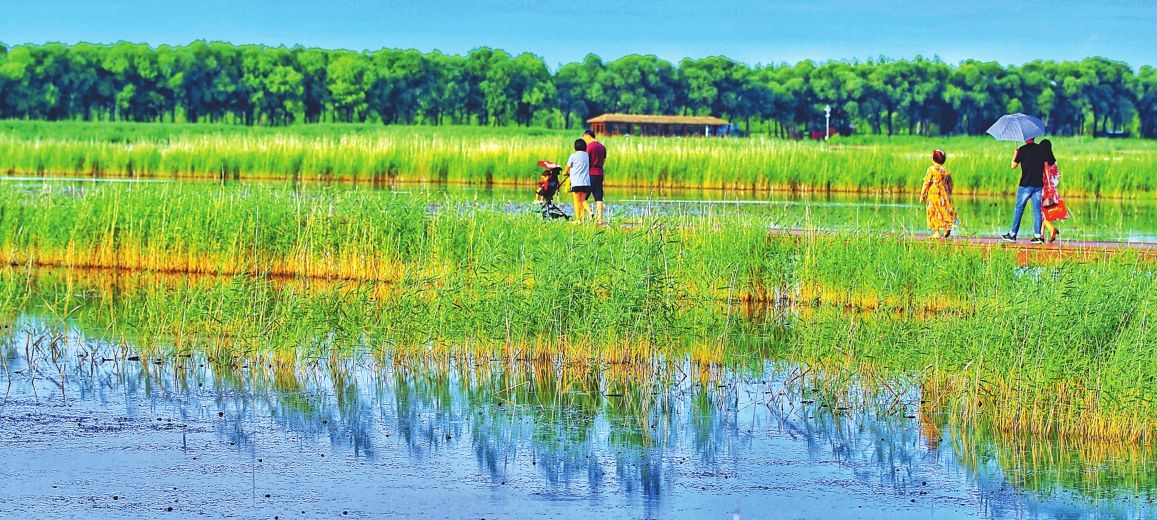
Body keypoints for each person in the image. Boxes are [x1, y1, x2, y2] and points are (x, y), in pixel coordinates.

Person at [1001, 137, 1047, 244]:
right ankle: (1037, 236)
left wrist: (1015, 154)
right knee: (1037, 211)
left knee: (1019, 210)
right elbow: (1045, 167)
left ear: (1026, 138)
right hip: (1038, 186)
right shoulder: (1041, 150)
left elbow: (1013, 166)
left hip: (1025, 185)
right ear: (1034, 137)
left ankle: (1012, 234)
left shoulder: (1022, 150)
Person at [919, 149, 957, 239]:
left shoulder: (931, 170)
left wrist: (922, 194)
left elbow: (926, 182)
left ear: (933, 159)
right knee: (944, 211)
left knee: (933, 212)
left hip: (933, 195)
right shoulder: (946, 171)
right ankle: (948, 226)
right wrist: (948, 193)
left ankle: (937, 232)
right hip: (944, 195)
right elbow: (950, 184)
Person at [1039, 139, 1068, 243]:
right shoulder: (1054, 161)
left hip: (1045, 189)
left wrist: (1047, 182)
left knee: (1042, 212)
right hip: (1053, 190)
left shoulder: (1044, 160)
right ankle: (1041, 235)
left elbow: (1045, 172)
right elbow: (1056, 175)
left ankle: (1052, 230)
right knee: (1046, 213)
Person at [582, 130, 607, 225]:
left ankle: (589, 213)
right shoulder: (602, 147)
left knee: (582, 197)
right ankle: (600, 219)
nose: (585, 141)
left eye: (585, 138)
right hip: (600, 173)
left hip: (591, 173)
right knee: (599, 197)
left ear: (588, 136)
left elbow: (585, 160)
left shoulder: (589, 147)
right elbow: (603, 160)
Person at [563, 139, 590, 222]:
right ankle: (584, 216)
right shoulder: (586, 155)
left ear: (575, 147)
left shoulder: (573, 156)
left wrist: (565, 173)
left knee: (576, 201)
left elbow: (566, 169)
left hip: (576, 182)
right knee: (582, 200)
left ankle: (578, 219)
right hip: (585, 182)